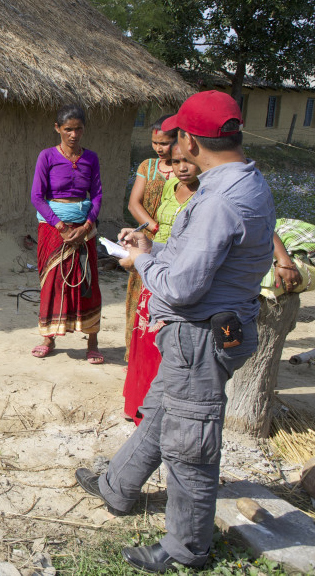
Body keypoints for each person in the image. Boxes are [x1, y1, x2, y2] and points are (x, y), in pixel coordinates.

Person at [75, 90, 275, 573]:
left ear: (188, 139)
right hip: (210, 331)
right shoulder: (244, 182)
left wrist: (140, 259)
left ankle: (187, 548)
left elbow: (183, 286)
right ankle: (118, 487)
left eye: (175, 138)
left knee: (190, 447)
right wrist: (153, 243)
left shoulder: (220, 200)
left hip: (201, 338)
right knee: (163, 411)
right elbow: (202, 257)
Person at [123, 144, 200, 424]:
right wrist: (141, 242)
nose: (181, 167)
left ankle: (157, 414)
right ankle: (137, 405)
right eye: (177, 161)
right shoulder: (170, 189)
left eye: (188, 161)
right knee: (144, 338)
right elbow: (156, 229)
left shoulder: (207, 199)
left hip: (178, 280)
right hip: (155, 269)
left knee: (164, 344)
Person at [30, 103, 104, 363]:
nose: (74, 135)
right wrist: (60, 226)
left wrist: (85, 227)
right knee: (53, 281)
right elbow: (37, 197)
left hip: (84, 227)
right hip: (53, 228)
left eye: (79, 129)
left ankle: (92, 341)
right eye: (68, 129)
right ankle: (48, 337)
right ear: (57, 128)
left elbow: (96, 195)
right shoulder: (47, 157)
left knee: (87, 280)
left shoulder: (91, 158)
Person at [124, 119, 177, 353]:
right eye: (155, 142)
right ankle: (135, 351)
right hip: (148, 237)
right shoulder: (148, 166)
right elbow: (134, 204)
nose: (159, 148)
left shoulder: (185, 169)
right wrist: (154, 227)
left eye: (164, 143)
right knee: (140, 294)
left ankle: (161, 351)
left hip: (176, 240)